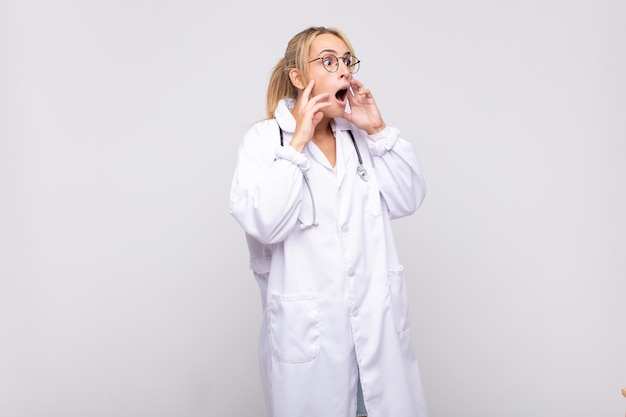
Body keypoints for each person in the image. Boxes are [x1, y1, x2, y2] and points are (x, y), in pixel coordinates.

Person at [228, 26, 429, 417]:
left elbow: (409, 197)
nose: (344, 71)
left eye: (347, 61)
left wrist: (378, 129)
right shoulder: (266, 142)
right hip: (314, 344)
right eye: (329, 61)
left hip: (375, 336)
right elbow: (265, 222)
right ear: (298, 77)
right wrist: (298, 143)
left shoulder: (362, 139)